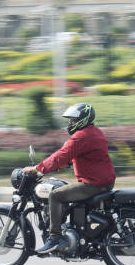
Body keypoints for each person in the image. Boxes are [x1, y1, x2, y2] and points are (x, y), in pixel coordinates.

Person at [23, 103, 116, 254]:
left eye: (73, 120)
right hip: (104, 181)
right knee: (66, 191)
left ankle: (55, 238)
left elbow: (61, 155)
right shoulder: (94, 132)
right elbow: (83, 155)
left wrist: (37, 168)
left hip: (93, 184)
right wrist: (66, 163)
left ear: (83, 119)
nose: (70, 123)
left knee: (55, 195)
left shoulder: (81, 136)